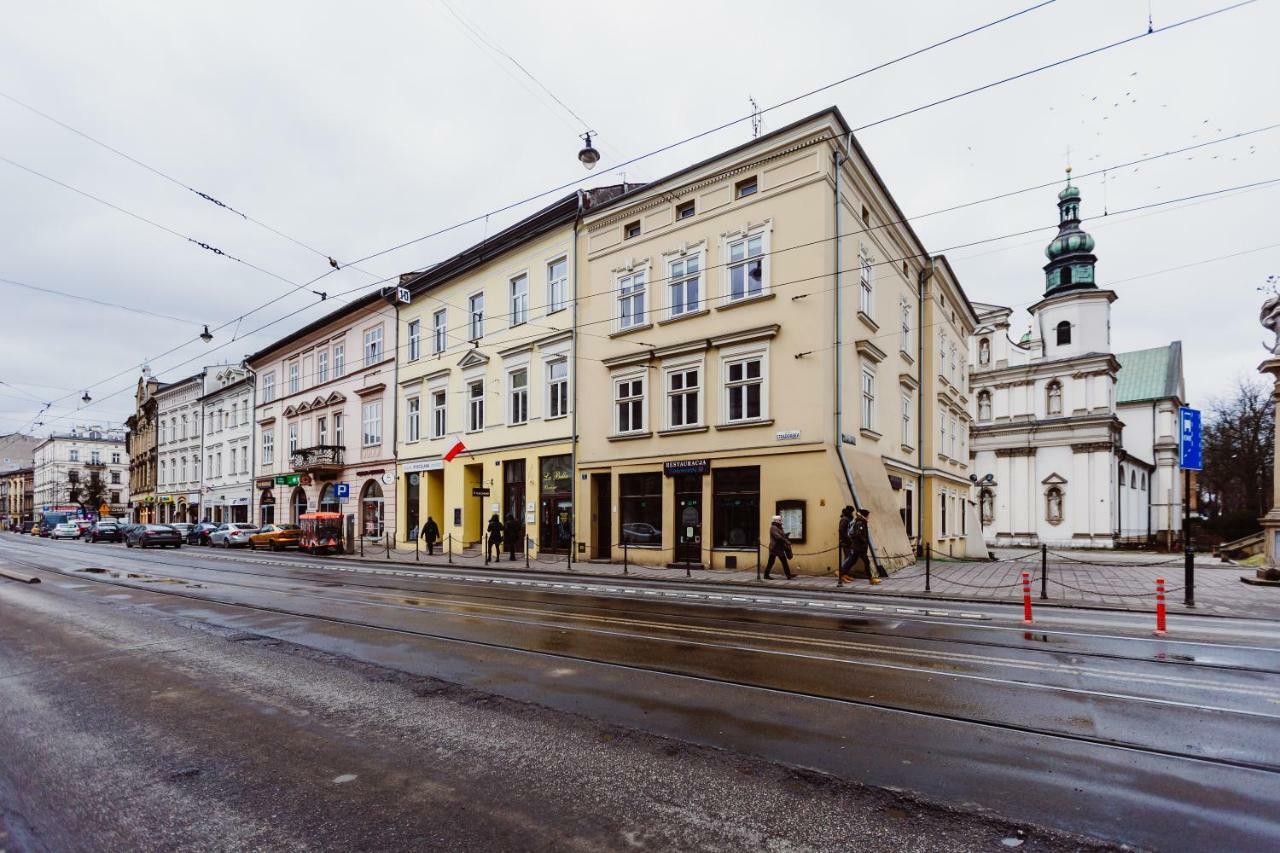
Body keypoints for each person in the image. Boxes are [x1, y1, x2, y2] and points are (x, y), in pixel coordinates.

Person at [840, 508, 881, 585]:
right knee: (866, 562)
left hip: (858, 547)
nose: (869, 517)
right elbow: (858, 534)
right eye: (868, 515)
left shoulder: (861, 522)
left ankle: (842, 573)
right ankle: (871, 579)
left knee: (852, 561)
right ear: (865, 516)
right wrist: (864, 541)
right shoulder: (860, 523)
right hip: (859, 547)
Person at [764, 515, 793, 580]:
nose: (781, 521)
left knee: (784, 561)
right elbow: (778, 537)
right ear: (776, 521)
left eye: (781, 520)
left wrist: (786, 535)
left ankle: (788, 575)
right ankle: (766, 575)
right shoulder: (773, 527)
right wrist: (786, 541)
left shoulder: (779, 527)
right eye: (780, 520)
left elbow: (781, 536)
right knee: (771, 562)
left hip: (779, 547)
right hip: (774, 548)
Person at [837, 505, 855, 586]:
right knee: (848, 557)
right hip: (845, 542)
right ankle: (841, 573)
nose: (852, 513)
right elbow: (841, 530)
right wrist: (847, 539)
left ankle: (844, 574)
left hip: (846, 541)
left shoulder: (846, 518)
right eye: (852, 512)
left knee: (848, 557)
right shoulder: (845, 519)